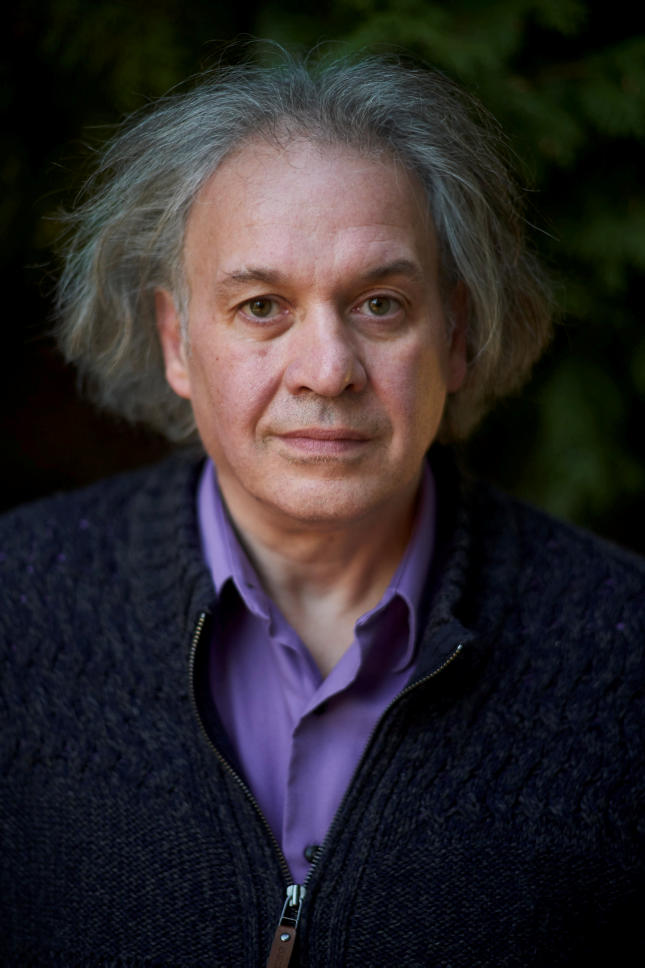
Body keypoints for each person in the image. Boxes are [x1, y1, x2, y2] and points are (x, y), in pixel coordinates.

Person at [1, 51, 643, 968]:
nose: (328, 370)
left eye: (380, 304)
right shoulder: (15, 605)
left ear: (456, 335)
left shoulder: (623, 653)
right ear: (177, 340)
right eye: (262, 306)